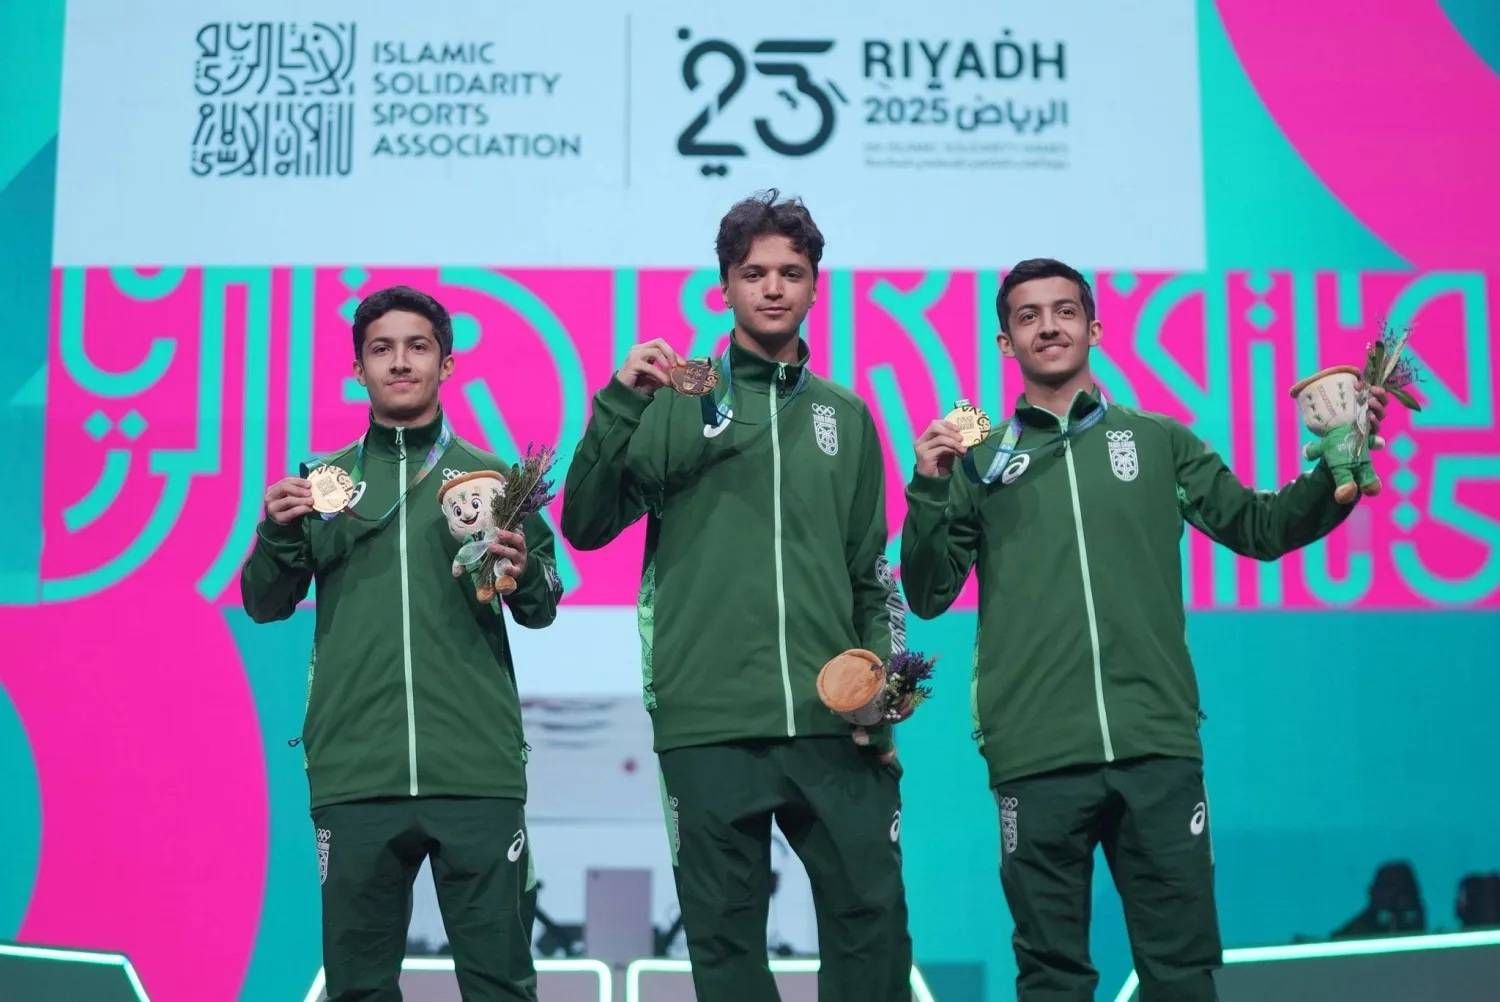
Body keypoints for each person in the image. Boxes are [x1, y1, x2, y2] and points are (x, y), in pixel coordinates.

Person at [900, 258, 1387, 1002]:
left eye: (1065, 311)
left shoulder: (1160, 441)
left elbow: (1260, 527)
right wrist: (930, 487)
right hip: (1034, 752)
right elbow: (929, 592)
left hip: (1156, 745)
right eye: (1028, 316)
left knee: (1179, 971)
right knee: (1052, 976)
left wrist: (1335, 471)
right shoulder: (979, 462)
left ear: (1094, 329)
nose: (1048, 327)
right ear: (1005, 343)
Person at [561, 191, 913, 1001]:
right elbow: (584, 524)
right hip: (709, 721)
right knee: (726, 955)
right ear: (723, 287)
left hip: (833, 723)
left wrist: (880, 700)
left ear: (816, 286)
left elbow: (870, 574)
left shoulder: (847, 416)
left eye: (792, 271)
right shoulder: (673, 401)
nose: (773, 287)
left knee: (873, 931)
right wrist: (619, 402)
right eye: (754, 273)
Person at [241, 285, 563, 1001]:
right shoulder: (322, 485)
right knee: (358, 988)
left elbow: (542, 606)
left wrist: (522, 570)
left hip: (475, 769)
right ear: (358, 369)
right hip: (356, 771)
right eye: (381, 349)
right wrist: (276, 532)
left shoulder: (495, 481)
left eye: (418, 347)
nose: (400, 362)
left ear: (446, 364)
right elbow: (264, 603)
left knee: (501, 985)